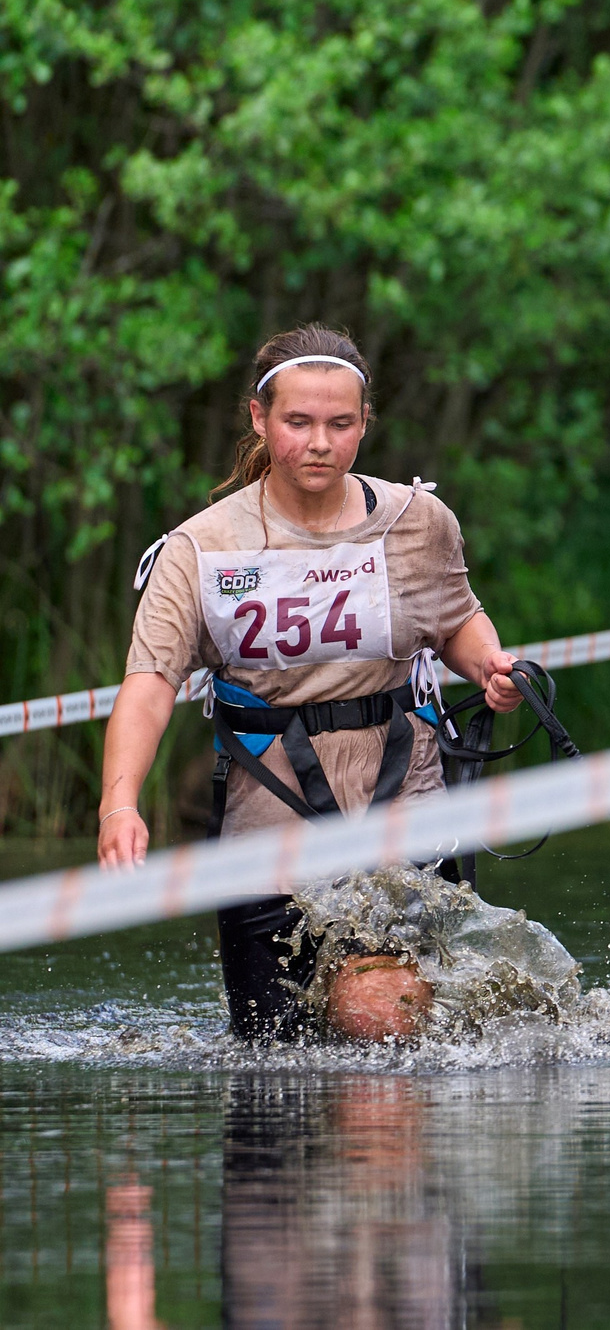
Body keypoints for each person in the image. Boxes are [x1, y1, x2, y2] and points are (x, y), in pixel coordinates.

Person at [95, 324, 525, 1038]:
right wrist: (119, 804)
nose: (319, 441)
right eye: (298, 421)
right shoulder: (200, 548)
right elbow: (149, 683)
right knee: (274, 1061)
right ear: (260, 419)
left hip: (402, 801)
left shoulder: (419, 523)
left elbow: (457, 619)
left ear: (364, 425)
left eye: (340, 423)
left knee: (383, 1022)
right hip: (267, 825)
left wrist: (492, 666)